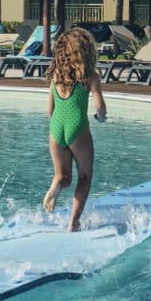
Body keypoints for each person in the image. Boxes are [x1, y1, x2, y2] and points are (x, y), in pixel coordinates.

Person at [43, 27, 108, 231]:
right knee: (84, 177)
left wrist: (58, 126)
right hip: (76, 126)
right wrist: (101, 117)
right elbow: (100, 107)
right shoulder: (90, 76)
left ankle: (56, 185)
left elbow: (49, 110)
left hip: (56, 127)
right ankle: (74, 222)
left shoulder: (56, 74)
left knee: (63, 176)